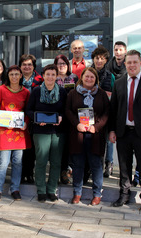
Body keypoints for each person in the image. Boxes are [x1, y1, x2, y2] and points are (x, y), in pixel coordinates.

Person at [109, 50, 141, 211]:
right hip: (123, 132)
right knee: (124, 166)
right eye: (129, 62)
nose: (131, 65)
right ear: (125, 64)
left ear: (140, 63)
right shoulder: (119, 82)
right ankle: (124, 195)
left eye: (134, 62)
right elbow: (113, 109)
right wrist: (112, 130)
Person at [65, 67, 110, 206]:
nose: (89, 79)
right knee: (78, 165)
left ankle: (97, 194)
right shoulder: (73, 93)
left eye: (92, 77)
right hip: (78, 134)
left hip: (95, 135)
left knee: (96, 165)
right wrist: (77, 124)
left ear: (96, 79)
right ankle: (77, 193)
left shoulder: (102, 94)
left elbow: (107, 113)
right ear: (82, 78)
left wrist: (95, 127)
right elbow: (68, 110)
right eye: (87, 77)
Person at [26, 64, 67, 202]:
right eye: (48, 74)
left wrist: (61, 117)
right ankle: (41, 190)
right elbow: (29, 110)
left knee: (56, 162)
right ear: (43, 76)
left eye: (53, 74)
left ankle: (51, 189)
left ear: (57, 76)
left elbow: (65, 110)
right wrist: (36, 118)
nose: (50, 77)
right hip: (40, 130)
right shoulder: (36, 91)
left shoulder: (62, 92)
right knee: (41, 161)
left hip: (57, 131)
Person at [0, 65, 31, 201]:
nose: (14, 77)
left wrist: (26, 122)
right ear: (8, 76)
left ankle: (15, 189)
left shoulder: (26, 92)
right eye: (11, 74)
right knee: (3, 162)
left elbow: (28, 111)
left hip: (19, 132)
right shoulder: (1, 90)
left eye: (16, 74)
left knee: (18, 162)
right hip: (4, 131)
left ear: (20, 76)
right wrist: (0, 119)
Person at [90, 46, 115, 178]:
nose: (99, 61)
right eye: (97, 58)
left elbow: (113, 94)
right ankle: (94, 165)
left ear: (106, 60)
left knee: (108, 140)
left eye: (102, 58)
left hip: (105, 112)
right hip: (90, 113)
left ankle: (109, 164)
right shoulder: (87, 73)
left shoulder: (110, 76)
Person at [19, 54, 43, 184]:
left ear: (33, 66)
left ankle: (30, 173)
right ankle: (21, 174)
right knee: (20, 147)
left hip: (34, 118)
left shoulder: (40, 80)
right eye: (24, 64)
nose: (27, 67)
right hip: (17, 118)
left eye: (29, 64)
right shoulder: (15, 78)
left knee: (32, 149)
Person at [53, 54, 78, 184]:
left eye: (64, 63)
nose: (61, 66)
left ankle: (65, 172)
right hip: (56, 116)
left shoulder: (74, 78)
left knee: (68, 146)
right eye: (59, 64)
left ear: (68, 65)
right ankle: (55, 173)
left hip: (70, 116)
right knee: (57, 146)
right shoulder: (52, 78)